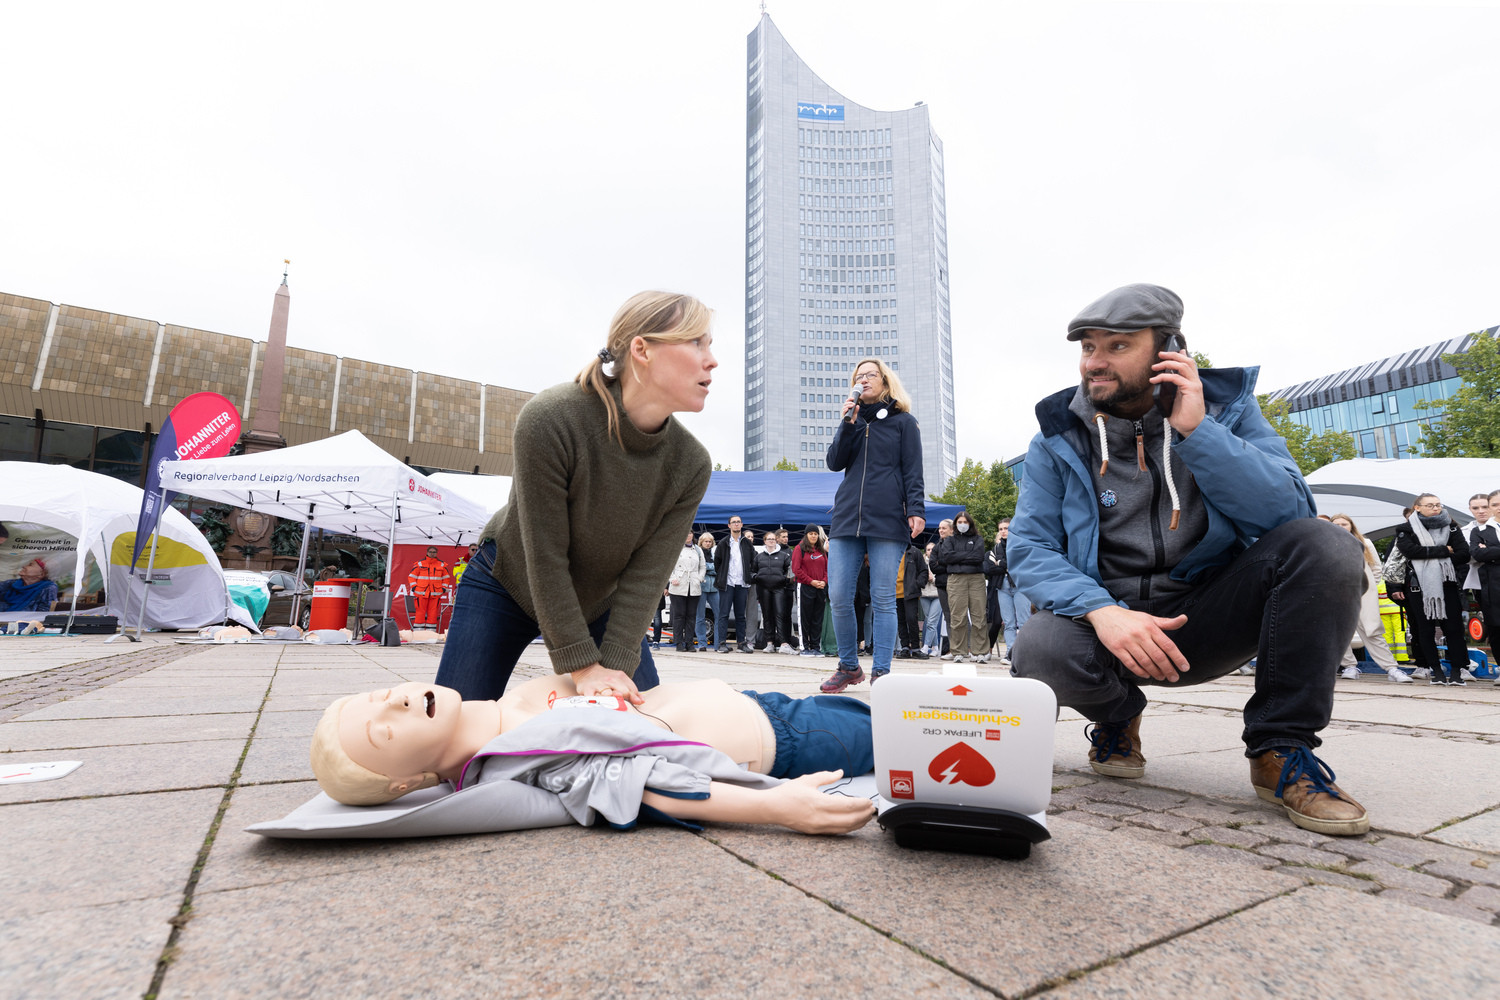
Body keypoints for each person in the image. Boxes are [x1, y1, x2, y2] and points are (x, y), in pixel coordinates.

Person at [1008, 283, 1370, 836]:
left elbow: (1290, 513)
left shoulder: (1230, 413)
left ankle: (1281, 751)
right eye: (1087, 347)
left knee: (1327, 546)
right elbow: (1030, 547)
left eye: (1117, 346)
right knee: (1039, 647)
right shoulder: (1058, 438)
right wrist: (1102, 612)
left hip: (1206, 618)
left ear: (1169, 352)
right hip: (1111, 626)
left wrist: (1199, 433)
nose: (1095, 363)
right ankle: (1117, 715)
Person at [434, 291, 715, 703]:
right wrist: (582, 667)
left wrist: (614, 668)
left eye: (710, 345)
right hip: (507, 580)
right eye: (697, 342)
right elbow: (545, 555)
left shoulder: (691, 463)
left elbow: (647, 577)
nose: (712, 359)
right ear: (642, 350)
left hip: (600, 602)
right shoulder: (551, 419)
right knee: (449, 727)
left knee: (649, 724)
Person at [309, 676, 875, 835]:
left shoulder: (509, 711)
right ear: (408, 782)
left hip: (749, 700)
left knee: (893, 712)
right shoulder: (519, 760)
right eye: (384, 731)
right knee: (914, 727)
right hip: (784, 739)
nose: (397, 703)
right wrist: (783, 808)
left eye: (378, 698)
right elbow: (637, 786)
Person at [822, 358, 926, 692]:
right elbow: (834, 463)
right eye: (858, 376)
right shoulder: (852, 419)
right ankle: (849, 667)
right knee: (839, 595)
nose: (863, 380)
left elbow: (913, 469)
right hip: (847, 516)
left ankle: (882, 672)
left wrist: (917, 508)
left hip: (887, 518)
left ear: (884, 380)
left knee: (883, 598)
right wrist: (846, 424)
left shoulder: (903, 423)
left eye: (870, 375)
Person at [1394, 494, 1471, 686]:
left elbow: (1463, 553)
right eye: (1430, 505)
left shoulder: (1451, 525)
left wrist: (1430, 559)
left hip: (1447, 583)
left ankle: (1456, 671)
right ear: (1418, 507)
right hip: (1418, 586)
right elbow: (1410, 552)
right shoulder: (1406, 528)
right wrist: (1444, 551)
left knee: (1453, 628)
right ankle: (1435, 670)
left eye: (1438, 505)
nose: (1435, 508)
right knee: (1425, 630)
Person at [1328, 514, 1411, 684]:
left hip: (1362, 594)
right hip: (1337, 595)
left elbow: (1376, 569)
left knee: (1372, 630)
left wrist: (1368, 587)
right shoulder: (1327, 545)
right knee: (1338, 632)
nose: (1340, 526)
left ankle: (1391, 668)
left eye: (1344, 523)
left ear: (1351, 525)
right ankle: (1349, 666)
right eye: (1336, 524)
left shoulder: (1365, 543)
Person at [937, 510, 988, 663]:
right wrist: (967, 556)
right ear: (955, 524)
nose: (962, 525)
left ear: (970, 523)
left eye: (965, 522)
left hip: (976, 579)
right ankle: (959, 651)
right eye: (959, 522)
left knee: (979, 615)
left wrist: (957, 557)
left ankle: (980, 652)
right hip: (956, 579)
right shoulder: (949, 540)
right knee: (957, 617)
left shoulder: (978, 539)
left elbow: (979, 557)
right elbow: (946, 557)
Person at [987, 519, 1031, 667]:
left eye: (1006, 528)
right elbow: (989, 568)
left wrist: (1000, 563)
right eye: (1001, 529)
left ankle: (1024, 653)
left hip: (1020, 585)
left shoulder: (1021, 544)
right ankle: (1010, 653)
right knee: (1009, 623)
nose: (1003, 531)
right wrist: (1004, 565)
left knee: (1023, 622)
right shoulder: (996, 548)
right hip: (1002, 586)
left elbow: (1018, 564)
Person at [713, 517, 755, 653]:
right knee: (723, 614)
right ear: (729, 525)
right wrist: (722, 576)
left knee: (740, 615)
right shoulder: (724, 543)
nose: (736, 524)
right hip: (727, 583)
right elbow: (717, 562)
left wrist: (749, 575)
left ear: (742, 524)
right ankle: (721, 643)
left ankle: (741, 643)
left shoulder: (747, 543)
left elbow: (753, 561)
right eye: (734, 522)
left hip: (742, 583)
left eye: (738, 522)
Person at [1471, 494, 1500, 683]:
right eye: (1495, 504)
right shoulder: (1479, 530)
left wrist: (1491, 551)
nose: (1498, 507)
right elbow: (1477, 553)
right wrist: (1484, 552)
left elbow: (1486, 553)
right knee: (1496, 628)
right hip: (1494, 587)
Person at [753, 530, 793, 653]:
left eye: (773, 539)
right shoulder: (759, 557)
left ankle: (783, 643)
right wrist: (757, 578)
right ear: (765, 541)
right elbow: (752, 571)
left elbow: (790, 572)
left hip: (779, 589)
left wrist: (784, 580)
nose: (771, 541)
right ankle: (769, 643)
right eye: (769, 539)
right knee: (767, 616)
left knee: (780, 614)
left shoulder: (784, 556)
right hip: (764, 589)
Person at [792, 524, 829, 657]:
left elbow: (827, 568)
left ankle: (815, 647)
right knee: (805, 618)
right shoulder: (799, 548)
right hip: (805, 586)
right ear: (806, 535)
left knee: (817, 618)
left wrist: (824, 581)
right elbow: (796, 569)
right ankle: (804, 647)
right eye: (811, 533)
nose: (813, 536)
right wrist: (811, 581)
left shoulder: (821, 550)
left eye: (815, 533)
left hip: (820, 588)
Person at [667, 530, 706, 652]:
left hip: (693, 586)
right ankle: (678, 642)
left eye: (690, 533)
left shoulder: (698, 550)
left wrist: (699, 578)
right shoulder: (675, 548)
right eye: (685, 533)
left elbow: (703, 566)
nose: (688, 535)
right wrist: (672, 579)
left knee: (691, 616)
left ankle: (689, 643)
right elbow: (668, 565)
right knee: (679, 616)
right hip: (678, 586)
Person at [896, 542, 930, 659]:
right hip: (894, 592)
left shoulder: (914, 552)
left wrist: (918, 584)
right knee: (900, 620)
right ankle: (904, 647)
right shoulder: (891, 551)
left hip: (910, 591)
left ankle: (915, 648)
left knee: (912, 619)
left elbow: (923, 570)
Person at [407, 546, 451, 630]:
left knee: (433, 614)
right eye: (430, 552)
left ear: (436, 553)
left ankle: (431, 634)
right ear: (427, 552)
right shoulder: (420, 564)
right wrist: (414, 587)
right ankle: (418, 634)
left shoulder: (441, 564)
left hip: (435, 593)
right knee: (420, 613)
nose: (432, 553)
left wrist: (443, 588)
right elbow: (411, 576)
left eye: (434, 552)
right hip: (421, 592)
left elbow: (446, 578)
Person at [695, 531, 717, 653]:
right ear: (701, 542)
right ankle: (702, 643)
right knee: (700, 616)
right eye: (706, 541)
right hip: (701, 588)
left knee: (719, 616)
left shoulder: (715, 553)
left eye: (710, 541)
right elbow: (698, 568)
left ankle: (718, 643)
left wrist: (707, 569)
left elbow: (718, 569)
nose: (708, 543)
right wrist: (711, 568)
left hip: (714, 587)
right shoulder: (697, 553)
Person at [919, 542, 943, 657]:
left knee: (932, 622)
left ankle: (925, 647)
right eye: (928, 549)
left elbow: (943, 580)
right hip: (924, 594)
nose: (930, 551)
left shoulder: (941, 561)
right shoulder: (921, 563)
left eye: (932, 549)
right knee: (929, 621)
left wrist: (932, 579)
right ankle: (936, 647)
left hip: (937, 595)